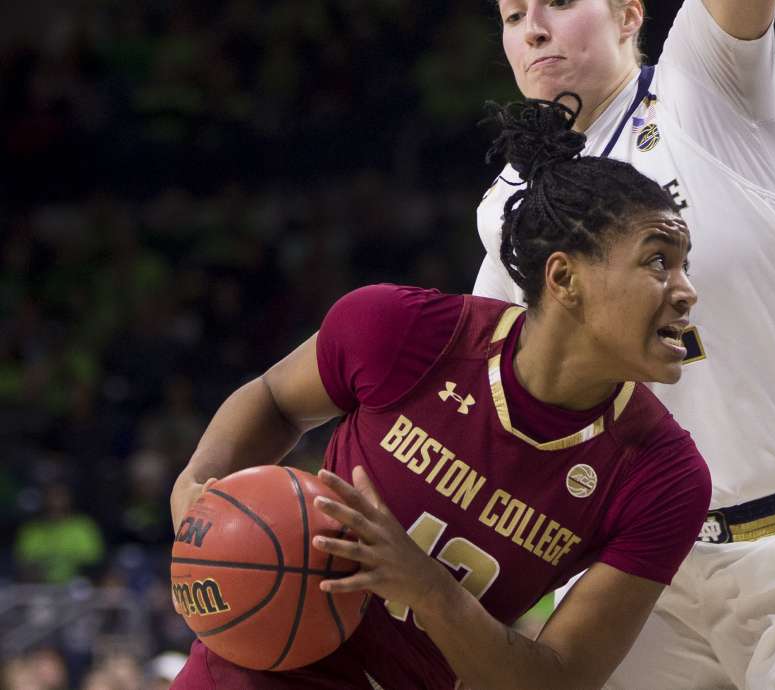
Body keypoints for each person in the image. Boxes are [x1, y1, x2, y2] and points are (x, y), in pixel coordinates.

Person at [168, 97, 711, 690]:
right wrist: (197, 483)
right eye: (658, 262)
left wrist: (428, 589)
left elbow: (559, 680)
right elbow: (275, 399)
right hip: (246, 673)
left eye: (684, 266)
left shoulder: (666, 479)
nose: (686, 290)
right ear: (564, 278)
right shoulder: (406, 330)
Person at [474, 0, 775, 687]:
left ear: (629, 16)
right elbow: (477, 398)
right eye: (514, 16)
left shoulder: (703, 83)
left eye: (561, 2)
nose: (534, 28)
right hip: (646, 580)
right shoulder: (510, 206)